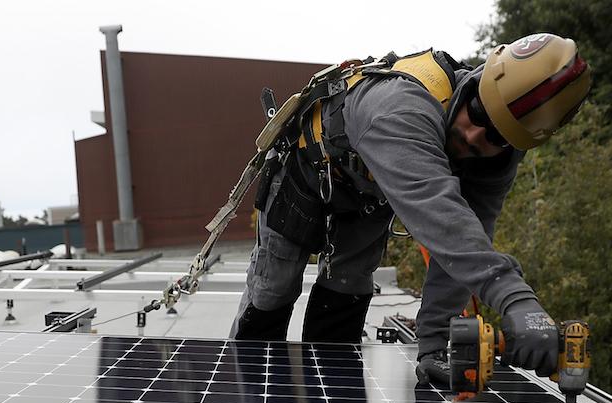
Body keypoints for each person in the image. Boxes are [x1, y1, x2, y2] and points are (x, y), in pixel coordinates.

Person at [229, 33, 592, 385]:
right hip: (305, 175)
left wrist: (432, 344)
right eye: (479, 111)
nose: (474, 136)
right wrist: (514, 298)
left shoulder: (497, 158)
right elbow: (440, 215)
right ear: (477, 82)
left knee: (347, 291)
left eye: (497, 136)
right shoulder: (400, 107)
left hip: (368, 196)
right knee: (271, 293)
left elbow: (466, 238)